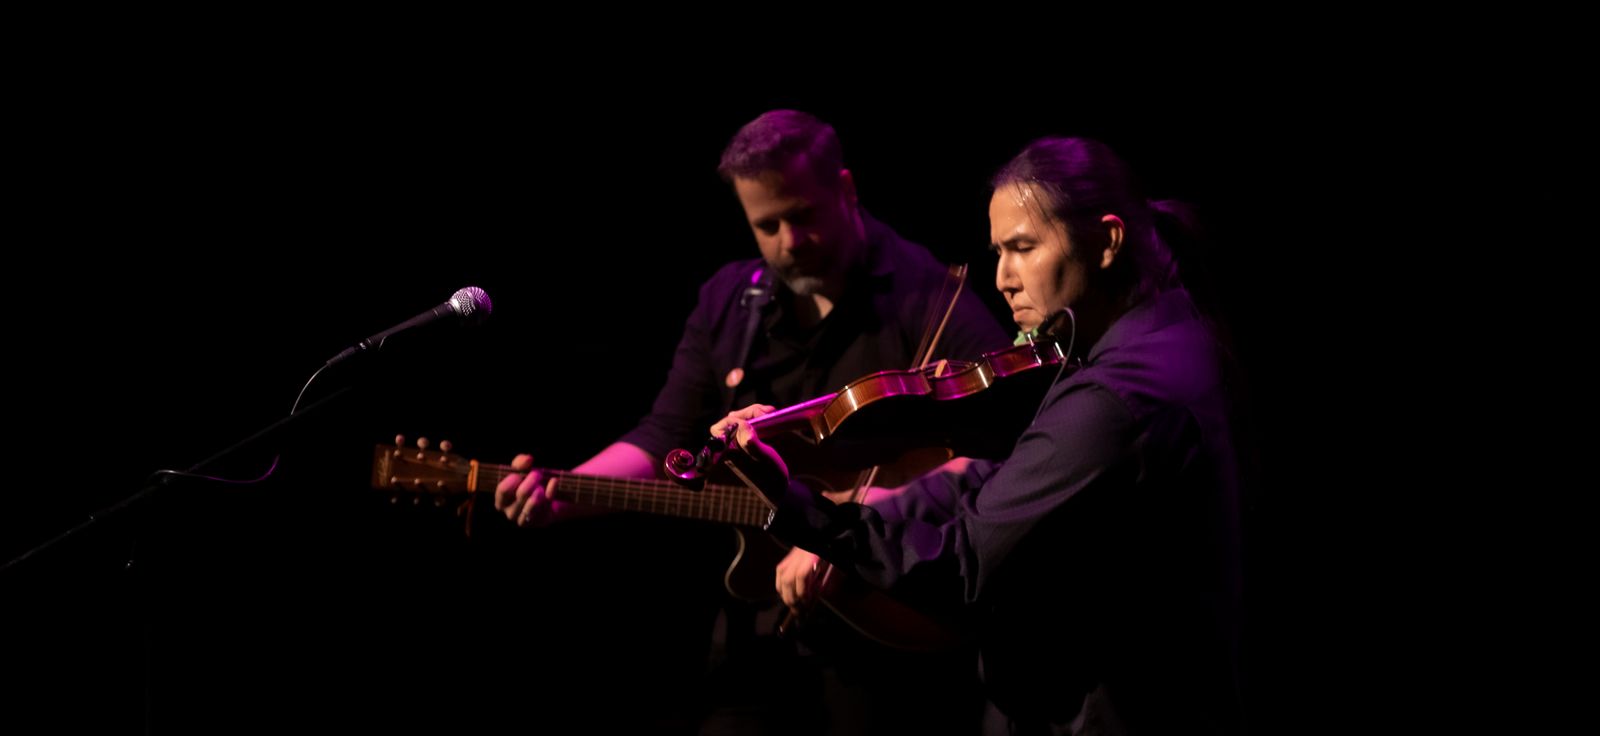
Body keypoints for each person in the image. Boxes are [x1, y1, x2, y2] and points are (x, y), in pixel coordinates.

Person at [494, 109, 1011, 733]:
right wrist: (566, 491)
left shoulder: (930, 296)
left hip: (889, 621)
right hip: (760, 632)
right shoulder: (730, 303)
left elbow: (1004, 450)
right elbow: (666, 438)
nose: (790, 241)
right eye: (767, 225)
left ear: (846, 189)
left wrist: (861, 518)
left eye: (804, 214)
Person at [718, 136, 1247, 735]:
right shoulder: (1174, 330)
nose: (1002, 279)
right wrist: (883, 505)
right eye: (998, 252)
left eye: (1023, 248)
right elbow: (1013, 477)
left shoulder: (1113, 398)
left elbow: (961, 570)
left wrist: (795, 505)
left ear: (1107, 242)